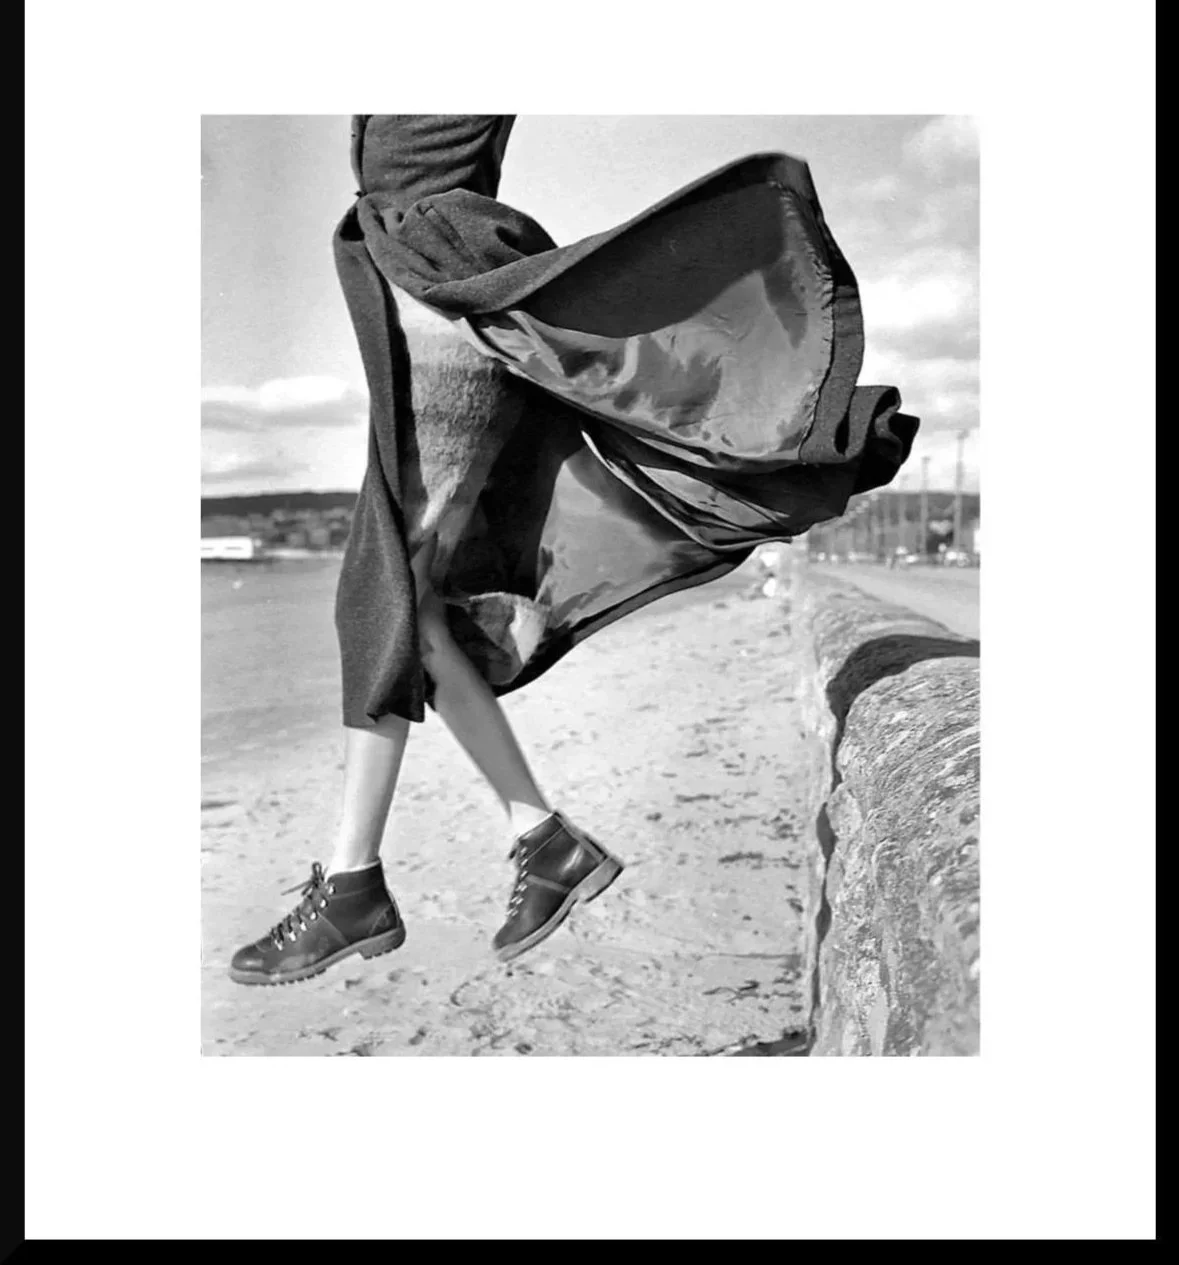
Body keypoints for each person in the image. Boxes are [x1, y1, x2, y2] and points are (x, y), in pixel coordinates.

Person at [228, 116, 918, 986]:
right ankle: (532, 840)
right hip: (418, 306)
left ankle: (359, 880)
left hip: (437, 313)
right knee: (415, 610)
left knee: (385, 598)